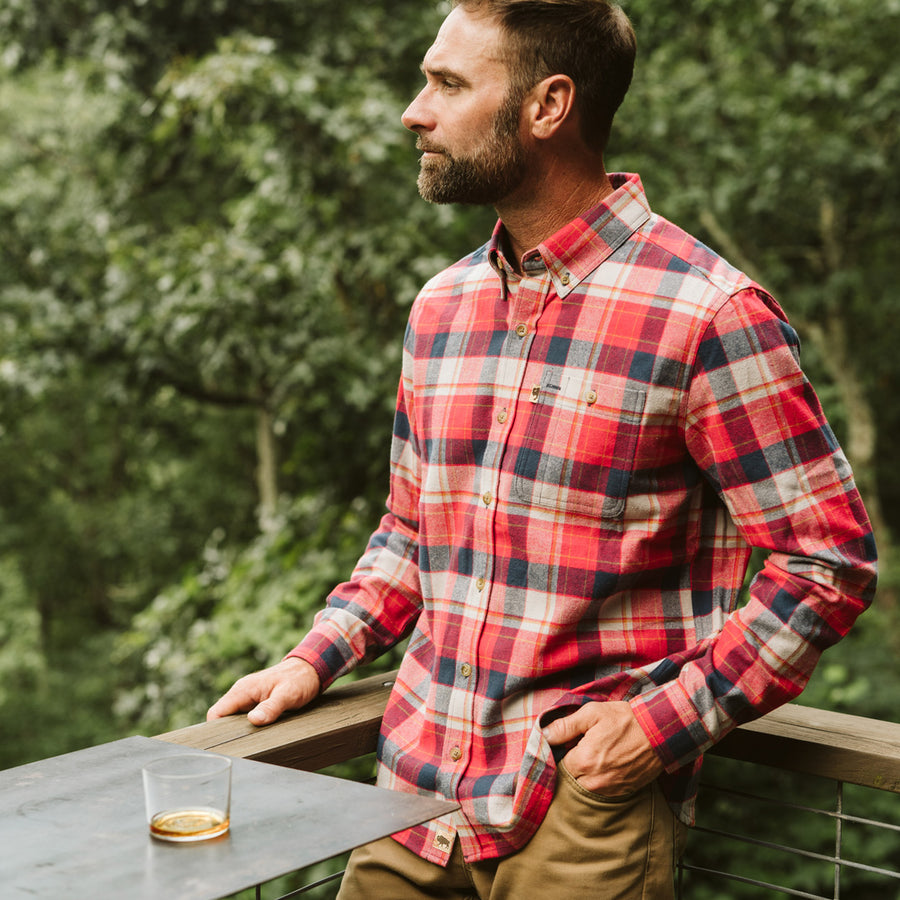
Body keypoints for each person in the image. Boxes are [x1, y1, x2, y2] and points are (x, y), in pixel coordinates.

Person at [208, 1, 878, 896]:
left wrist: (663, 723)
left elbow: (827, 562)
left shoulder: (708, 314)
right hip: (412, 794)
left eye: (448, 83)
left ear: (548, 105)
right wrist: (312, 658)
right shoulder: (441, 310)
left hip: (578, 811)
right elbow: (410, 535)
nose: (415, 110)